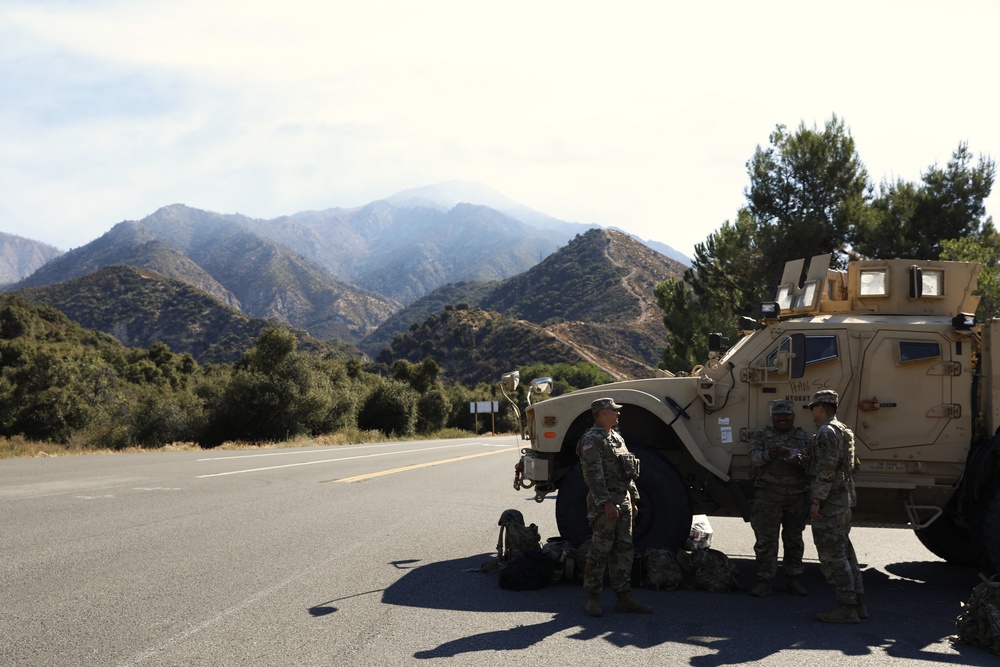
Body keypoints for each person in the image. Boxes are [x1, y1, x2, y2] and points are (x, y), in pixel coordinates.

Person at [577, 397, 652, 617]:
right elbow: (593, 475)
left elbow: (628, 473)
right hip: (606, 504)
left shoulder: (617, 438)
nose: (618, 414)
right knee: (600, 550)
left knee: (624, 549)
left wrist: (634, 499)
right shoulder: (591, 440)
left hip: (624, 502)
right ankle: (592, 597)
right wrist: (606, 502)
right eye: (613, 411)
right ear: (602, 414)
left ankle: (623, 597)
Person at [807, 389, 866, 624]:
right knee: (845, 552)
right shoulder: (845, 430)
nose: (812, 412)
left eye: (813, 408)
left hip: (830, 502)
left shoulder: (826, 432)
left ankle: (846, 608)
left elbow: (826, 469)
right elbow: (854, 465)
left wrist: (816, 501)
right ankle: (858, 603)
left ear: (821, 408)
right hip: (844, 499)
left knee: (834, 555)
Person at [748, 399, 813, 598]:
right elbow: (754, 458)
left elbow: (812, 464)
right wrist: (770, 454)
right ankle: (764, 580)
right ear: (772, 417)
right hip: (768, 494)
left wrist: (796, 459)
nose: (782, 418)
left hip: (796, 495)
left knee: (794, 539)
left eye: (786, 415)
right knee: (766, 540)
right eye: (778, 415)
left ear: (793, 417)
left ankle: (793, 579)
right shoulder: (762, 436)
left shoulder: (803, 438)